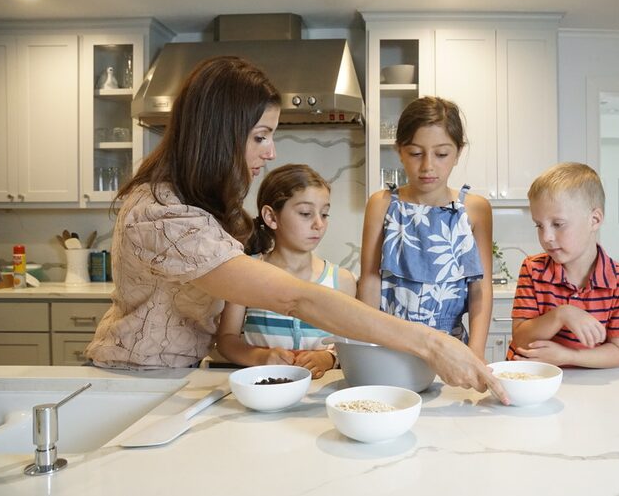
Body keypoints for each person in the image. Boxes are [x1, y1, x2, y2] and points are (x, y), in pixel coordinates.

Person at [83, 56, 506, 402]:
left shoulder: (193, 203)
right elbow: (294, 296)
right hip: (134, 386)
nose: (270, 152)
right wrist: (430, 343)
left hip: (174, 379)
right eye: (261, 136)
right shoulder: (161, 213)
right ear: (220, 134)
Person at [358, 96, 493, 361]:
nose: (428, 165)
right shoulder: (382, 204)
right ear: (399, 150)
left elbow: (481, 289)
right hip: (391, 345)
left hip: (452, 350)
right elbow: (371, 281)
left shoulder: (475, 209)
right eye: (416, 153)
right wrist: (368, 349)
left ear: (458, 153)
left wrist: (475, 353)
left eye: (441, 154)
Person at [216, 164, 355, 378]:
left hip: (320, 396)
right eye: (306, 213)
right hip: (262, 390)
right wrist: (260, 357)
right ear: (271, 217)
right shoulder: (245, 273)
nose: (319, 224)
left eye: (325, 214)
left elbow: (350, 342)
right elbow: (226, 340)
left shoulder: (341, 280)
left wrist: (329, 358)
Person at [508, 162, 619, 368]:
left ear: (594, 220)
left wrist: (568, 356)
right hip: (532, 378)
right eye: (539, 225)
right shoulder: (533, 269)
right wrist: (562, 314)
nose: (546, 237)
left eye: (558, 224)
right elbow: (521, 339)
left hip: (589, 384)